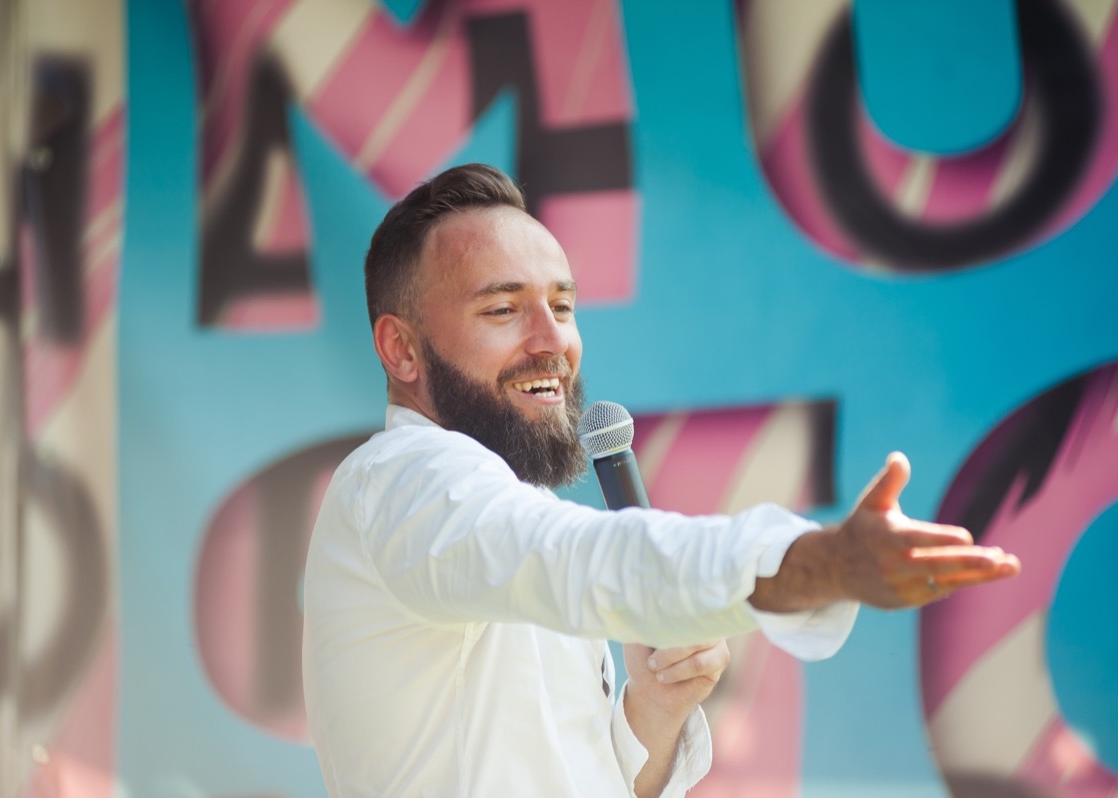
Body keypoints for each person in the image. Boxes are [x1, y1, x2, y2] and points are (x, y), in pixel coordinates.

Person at [301, 163, 1020, 798]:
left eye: (562, 305)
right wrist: (821, 565)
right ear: (401, 349)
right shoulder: (401, 480)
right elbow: (584, 561)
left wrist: (654, 709)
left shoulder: (516, 507)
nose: (554, 342)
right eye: (502, 309)